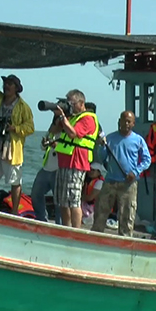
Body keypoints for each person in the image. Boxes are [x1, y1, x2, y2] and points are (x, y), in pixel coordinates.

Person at [0, 47, 35, 215]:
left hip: (12, 150)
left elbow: (30, 127)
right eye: (5, 83)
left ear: (16, 88)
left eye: (10, 84)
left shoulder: (24, 107)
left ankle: (15, 212)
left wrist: (15, 128)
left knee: (15, 182)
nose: (6, 86)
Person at [92, 111, 151, 237]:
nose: (126, 124)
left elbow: (147, 160)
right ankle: (96, 237)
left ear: (133, 124)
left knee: (127, 215)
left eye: (129, 121)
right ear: (119, 121)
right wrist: (101, 147)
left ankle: (125, 241)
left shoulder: (138, 140)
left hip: (128, 184)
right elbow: (102, 157)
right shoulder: (110, 138)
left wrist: (135, 172)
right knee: (100, 212)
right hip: (110, 182)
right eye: (124, 120)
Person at [51, 89, 99, 229]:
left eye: (71, 103)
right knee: (62, 200)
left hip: (77, 163)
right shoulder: (71, 117)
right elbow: (53, 131)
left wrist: (63, 119)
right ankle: (66, 228)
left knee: (73, 200)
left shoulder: (88, 118)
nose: (69, 106)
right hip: (64, 162)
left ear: (81, 103)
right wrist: (58, 117)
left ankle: (76, 231)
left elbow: (73, 134)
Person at [31, 116, 63, 224]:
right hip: (46, 168)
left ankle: (60, 224)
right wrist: (49, 136)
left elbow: (66, 150)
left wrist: (55, 145)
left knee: (58, 200)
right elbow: (42, 147)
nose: (56, 124)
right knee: (36, 193)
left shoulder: (67, 134)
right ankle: (41, 219)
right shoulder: (51, 132)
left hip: (59, 170)